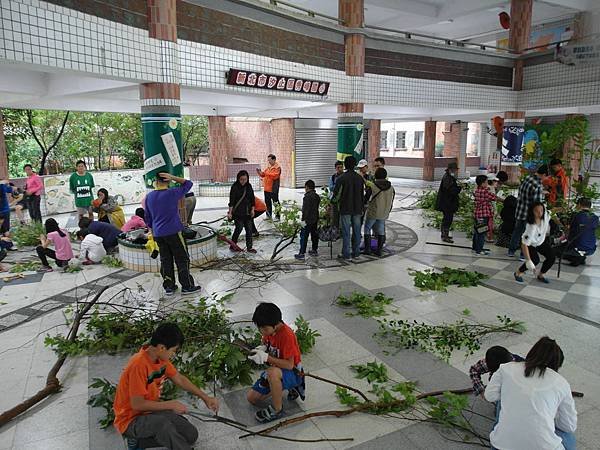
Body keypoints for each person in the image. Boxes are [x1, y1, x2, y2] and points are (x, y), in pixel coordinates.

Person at [113, 323, 219, 450]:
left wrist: (205, 397)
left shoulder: (160, 359)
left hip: (150, 411)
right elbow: (137, 404)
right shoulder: (138, 365)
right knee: (162, 425)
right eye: (173, 350)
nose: (174, 355)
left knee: (190, 435)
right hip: (131, 420)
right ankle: (135, 436)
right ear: (162, 347)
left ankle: (139, 442)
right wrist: (171, 404)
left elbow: (179, 379)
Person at [485, 337, 577, 450]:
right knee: (569, 438)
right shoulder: (561, 383)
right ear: (557, 363)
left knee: (502, 401)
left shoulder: (506, 368)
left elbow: (490, 396)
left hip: (500, 445)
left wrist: (512, 396)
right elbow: (569, 426)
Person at [246, 302, 304, 423]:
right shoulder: (268, 332)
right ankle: (282, 386)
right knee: (252, 398)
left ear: (276, 325)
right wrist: (261, 349)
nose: (262, 332)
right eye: (260, 328)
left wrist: (267, 357)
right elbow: (266, 344)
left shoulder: (287, 335)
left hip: (294, 372)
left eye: (265, 328)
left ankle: (277, 410)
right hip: (279, 369)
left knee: (272, 373)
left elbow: (289, 365)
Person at [145, 172, 200, 296]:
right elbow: (188, 184)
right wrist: (174, 177)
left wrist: (153, 233)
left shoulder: (149, 197)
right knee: (182, 259)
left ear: (156, 182)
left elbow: (147, 218)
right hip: (174, 232)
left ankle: (169, 287)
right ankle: (186, 286)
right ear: (167, 181)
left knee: (166, 260)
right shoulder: (172, 193)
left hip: (158, 234)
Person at [509, 165, 549, 257]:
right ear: (543, 174)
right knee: (527, 234)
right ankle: (523, 255)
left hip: (520, 211)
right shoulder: (537, 186)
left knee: (517, 232)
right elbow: (537, 204)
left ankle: (511, 251)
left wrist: (541, 192)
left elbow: (527, 193)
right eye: (546, 176)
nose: (546, 179)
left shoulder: (527, 178)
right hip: (529, 215)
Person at [514, 202, 556, 284]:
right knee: (535, 260)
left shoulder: (545, 216)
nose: (540, 213)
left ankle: (541, 275)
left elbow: (552, 211)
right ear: (532, 212)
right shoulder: (531, 227)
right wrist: (528, 260)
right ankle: (518, 273)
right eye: (536, 211)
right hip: (530, 244)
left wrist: (562, 208)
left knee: (551, 257)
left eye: (541, 210)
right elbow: (524, 244)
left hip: (540, 242)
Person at [333, 156, 365, 261]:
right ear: (355, 164)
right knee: (357, 231)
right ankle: (356, 253)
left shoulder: (341, 178)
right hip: (357, 209)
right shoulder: (360, 178)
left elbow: (336, 195)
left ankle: (346, 254)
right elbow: (362, 194)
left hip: (345, 208)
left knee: (346, 232)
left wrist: (332, 203)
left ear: (345, 165)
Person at [363, 168, 394, 257]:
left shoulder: (373, 186)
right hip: (384, 212)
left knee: (367, 228)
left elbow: (366, 198)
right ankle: (379, 250)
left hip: (373, 211)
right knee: (381, 230)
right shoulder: (391, 187)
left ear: (376, 176)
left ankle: (367, 249)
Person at [562, 197, 599, 266]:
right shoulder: (596, 218)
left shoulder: (576, 215)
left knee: (556, 252)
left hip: (577, 246)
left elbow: (568, 230)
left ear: (579, 205)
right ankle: (581, 256)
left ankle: (576, 257)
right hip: (591, 247)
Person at [228, 170, 256, 253]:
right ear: (238, 179)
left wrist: (252, 210)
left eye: (245, 179)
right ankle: (233, 245)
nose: (243, 181)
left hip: (247, 212)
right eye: (241, 179)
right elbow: (231, 201)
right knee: (239, 228)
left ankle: (249, 247)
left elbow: (252, 199)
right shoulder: (234, 187)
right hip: (238, 213)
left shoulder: (249, 186)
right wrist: (230, 213)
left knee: (249, 230)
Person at [435, 162, 462, 243]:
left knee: (447, 219)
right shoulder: (447, 178)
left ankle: (445, 235)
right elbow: (451, 191)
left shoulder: (449, 177)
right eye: (455, 170)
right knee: (447, 220)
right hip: (447, 204)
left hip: (447, 203)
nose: (456, 171)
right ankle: (444, 236)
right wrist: (460, 188)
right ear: (451, 170)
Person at [473, 174, 499, 255]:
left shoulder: (477, 190)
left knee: (477, 231)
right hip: (484, 214)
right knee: (482, 233)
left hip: (477, 214)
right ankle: (479, 250)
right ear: (482, 183)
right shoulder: (485, 191)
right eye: (486, 182)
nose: (487, 183)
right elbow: (494, 197)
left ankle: (475, 247)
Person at [294, 180, 320, 260]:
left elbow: (306, 211)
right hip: (315, 219)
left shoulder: (307, 197)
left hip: (307, 220)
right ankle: (314, 250)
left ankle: (302, 253)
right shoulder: (317, 196)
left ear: (307, 187)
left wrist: (303, 222)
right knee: (314, 235)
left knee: (304, 236)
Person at [256, 154, 281, 220]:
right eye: (268, 160)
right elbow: (263, 174)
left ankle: (277, 216)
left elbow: (275, 176)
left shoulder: (277, 167)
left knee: (275, 203)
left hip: (273, 189)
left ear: (274, 159)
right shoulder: (268, 167)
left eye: (269, 160)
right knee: (267, 203)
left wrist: (266, 174)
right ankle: (268, 215)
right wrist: (259, 172)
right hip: (266, 188)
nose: (268, 161)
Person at [328, 161, 344, 229]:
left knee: (343, 218)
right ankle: (335, 231)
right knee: (335, 217)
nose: (340, 169)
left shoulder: (345, 176)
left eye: (341, 167)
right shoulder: (333, 177)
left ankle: (341, 231)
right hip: (335, 200)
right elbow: (331, 188)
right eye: (338, 167)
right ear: (335, 168)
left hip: (344, 200)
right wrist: (338, 186)